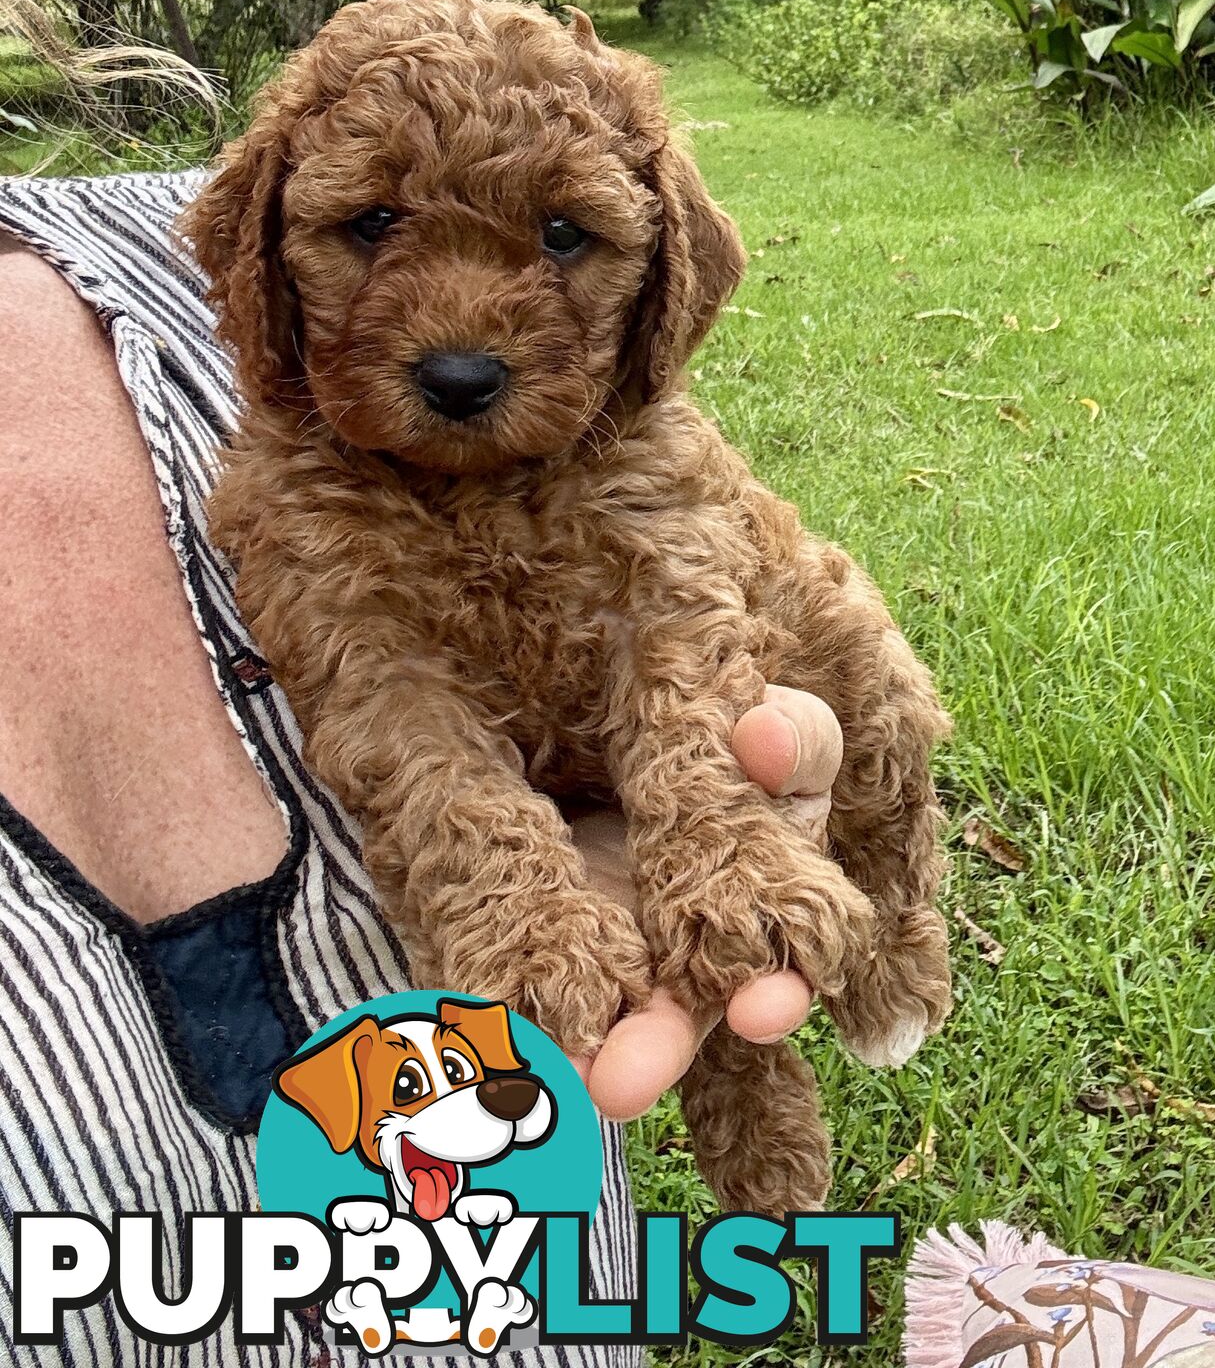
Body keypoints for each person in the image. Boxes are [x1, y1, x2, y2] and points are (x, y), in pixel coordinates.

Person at [0, 166, 847, 1367]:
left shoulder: (164, 248)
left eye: (563, 238)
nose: (456, 339)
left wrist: (702, 787)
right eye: (374, 229)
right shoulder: (271, 279)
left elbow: (694, 579)